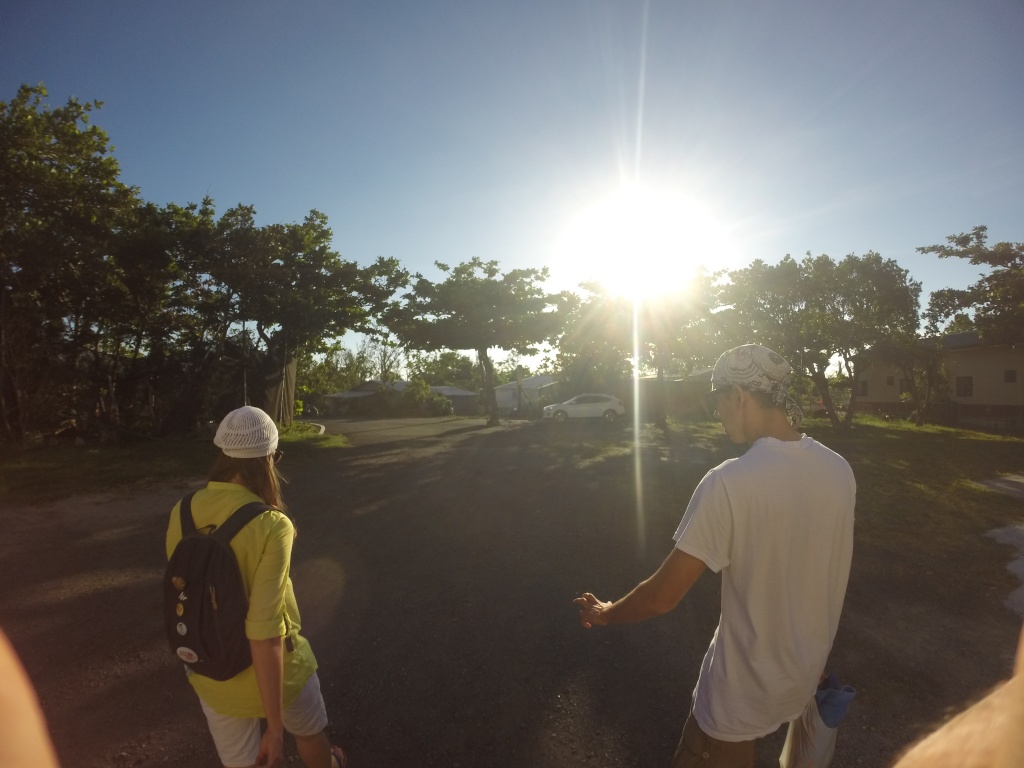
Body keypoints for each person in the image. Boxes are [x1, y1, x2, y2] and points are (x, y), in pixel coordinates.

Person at [574, 344, 856, 768]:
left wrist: (605, 613)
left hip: (736, 701)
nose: (715, 411)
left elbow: (663, 596)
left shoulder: (729, 483)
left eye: (716, 399)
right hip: (800, 680)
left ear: (738, 395)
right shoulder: (838, 470)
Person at [166, 406, 346, 768]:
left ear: (222, 452)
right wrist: (274, 728)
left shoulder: (181, 511)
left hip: (212, 668)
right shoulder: (272, 523)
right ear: (271, 458)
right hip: (281, 672)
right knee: (309, 734)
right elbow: (265, 630)